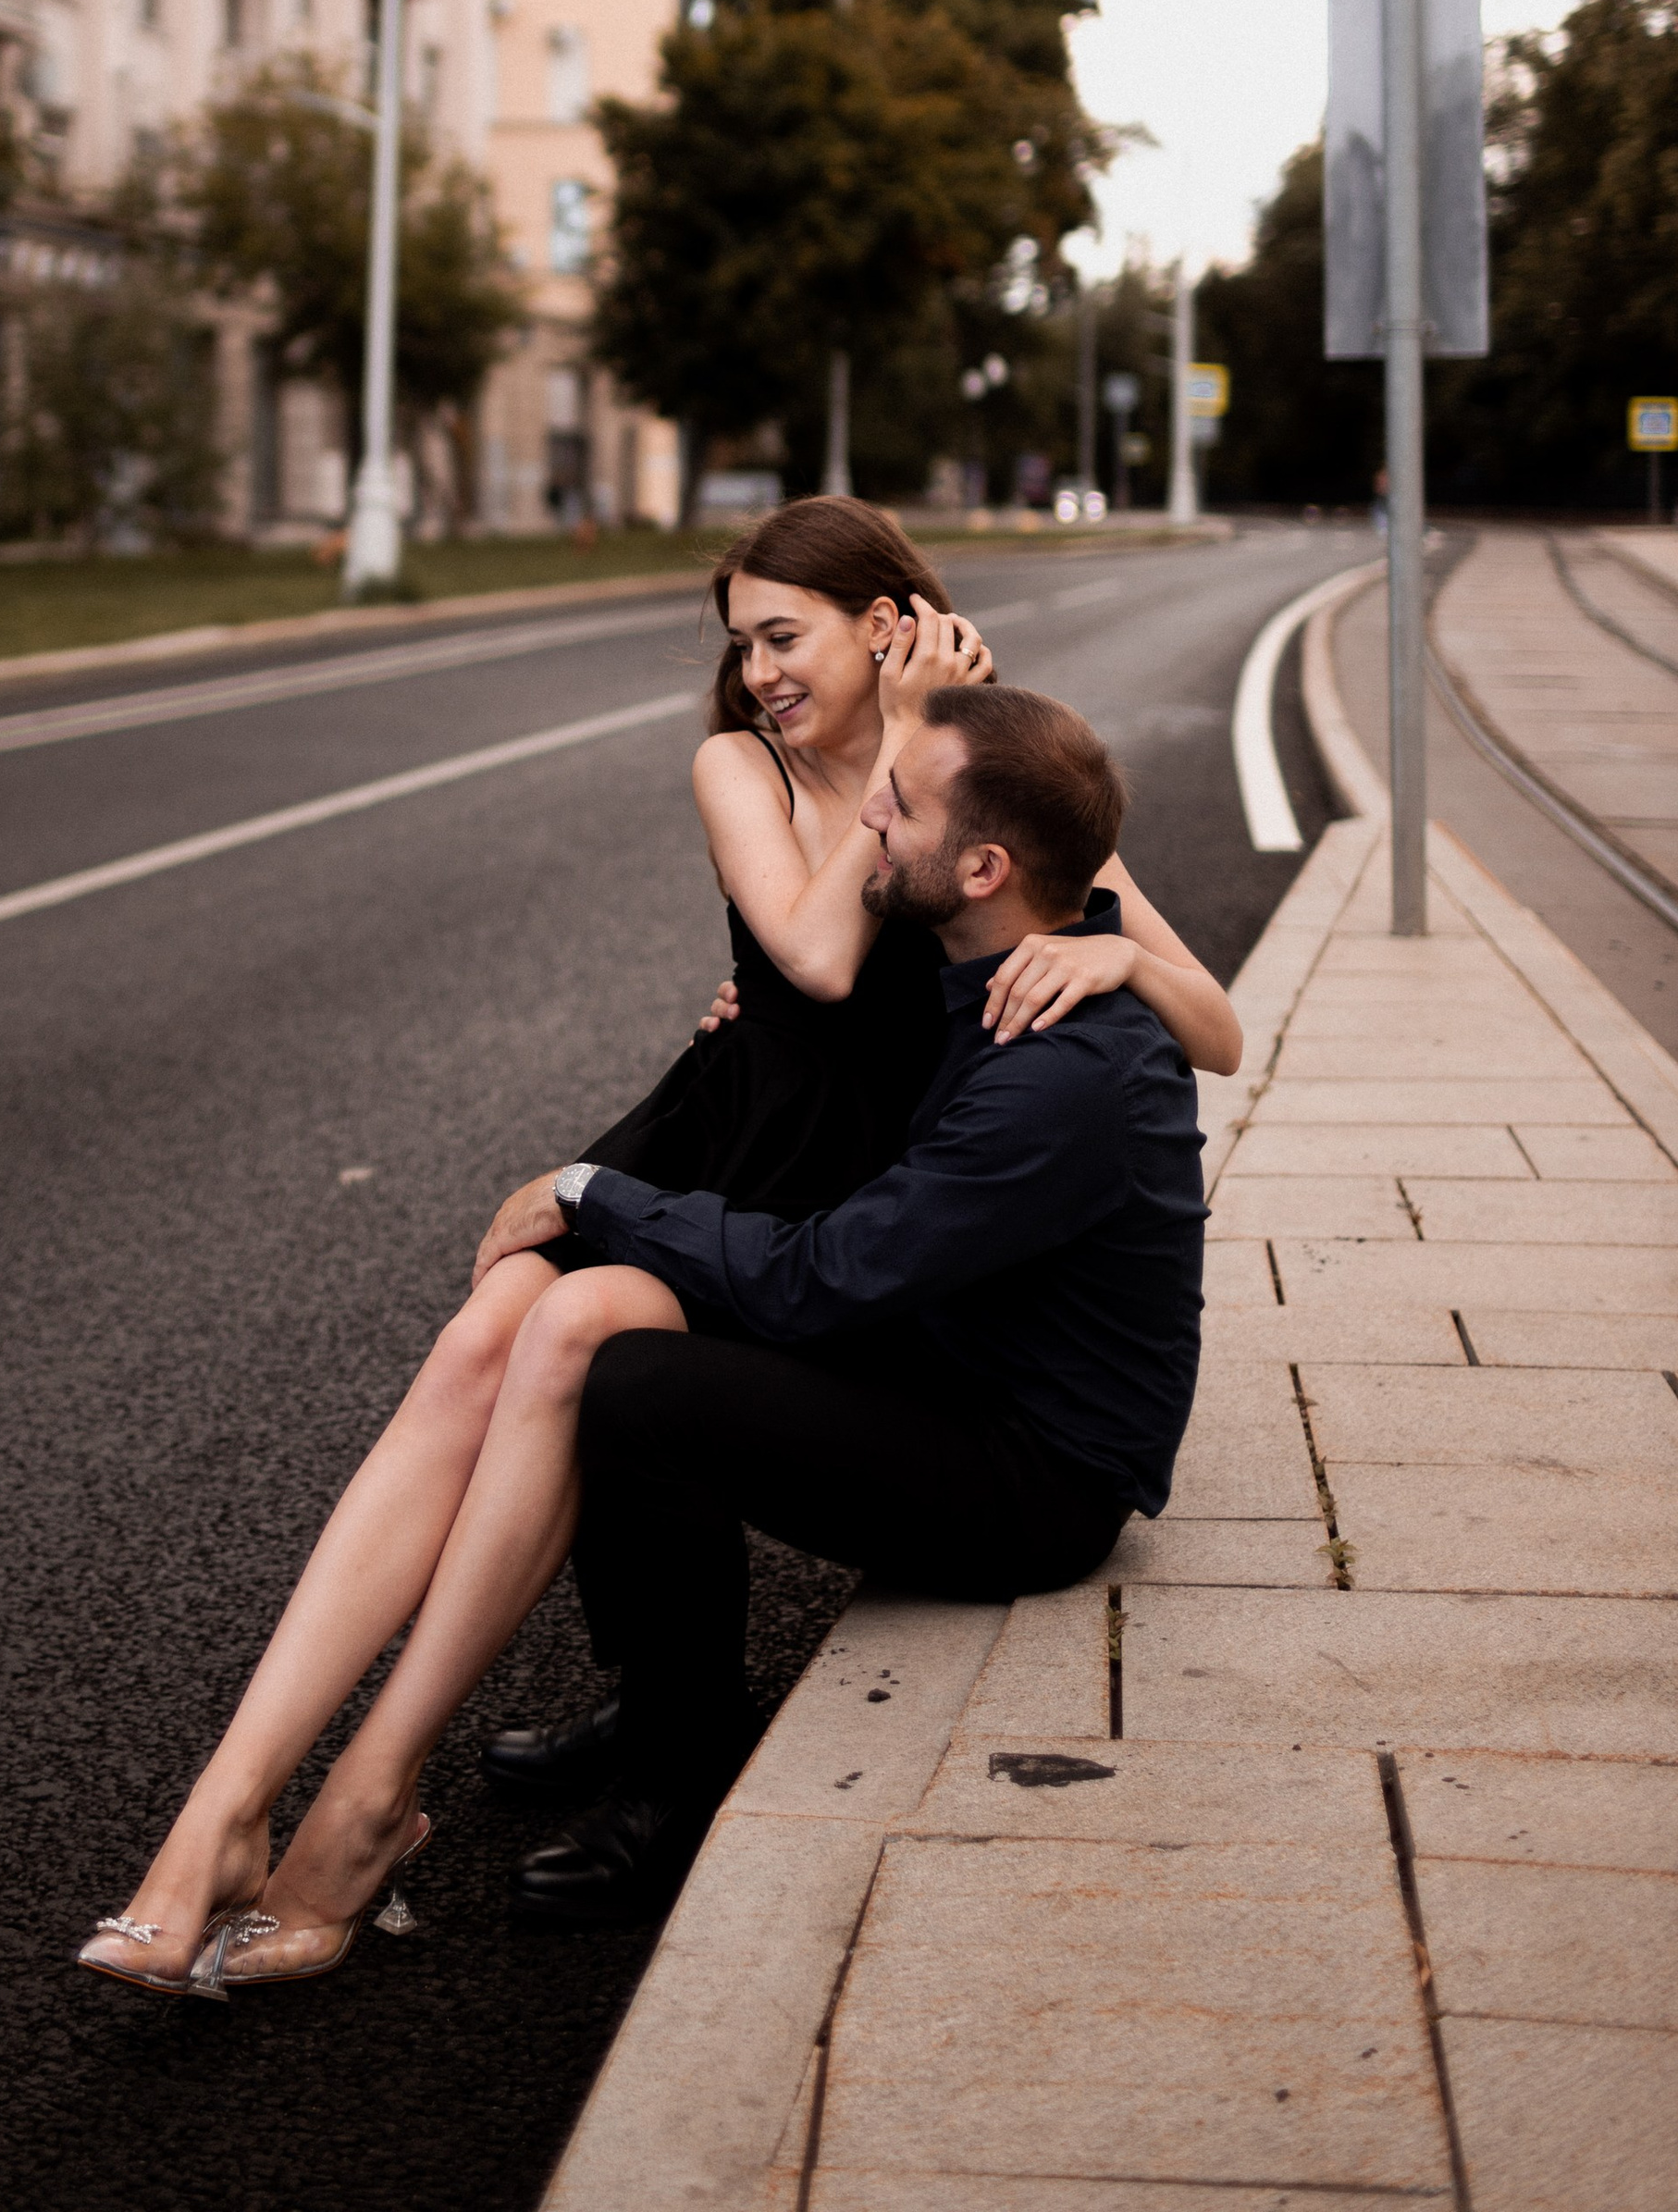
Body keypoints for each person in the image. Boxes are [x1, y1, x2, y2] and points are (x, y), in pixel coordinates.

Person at [74, 505, 1237, 1996]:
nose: (758, 670)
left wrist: (1122, 945)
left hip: (881, 1204)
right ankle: (230, 1813)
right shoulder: (753, 766)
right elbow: (808, 963)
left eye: (784, 635)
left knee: (601, 1357)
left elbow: (1203, 1025)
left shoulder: (968, 772)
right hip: (754, 1144)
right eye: (741, 641)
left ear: (885, 624)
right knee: (496, 1332)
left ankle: (398, 1795)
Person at [499, 681, 1208, 1924]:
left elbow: (821, 1280)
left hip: (1038, 1478)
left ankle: (683, 1773)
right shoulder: (989, 969)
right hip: (961, 1361)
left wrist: (591, 1190)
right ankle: (662, 1696)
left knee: (643, 1388)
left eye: (901, 803)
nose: (868, 813)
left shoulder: (1061, 1071)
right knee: (637, 1310)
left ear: (983, 868)